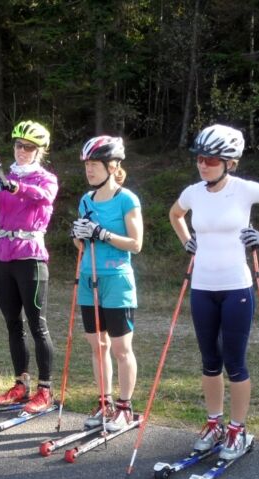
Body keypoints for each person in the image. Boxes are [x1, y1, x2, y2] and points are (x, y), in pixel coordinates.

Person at [168, 124, 259, 461]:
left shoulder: (244, 190)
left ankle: (237, 429)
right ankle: (214, 424)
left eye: (211, 159)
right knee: (210, 362)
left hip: (236, 287)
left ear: (230, 162)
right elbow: (175, 214)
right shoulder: (194, 192)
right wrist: (186, 241)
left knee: (234, 362)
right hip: (202, 287)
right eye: (199, 158)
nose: (203, 164)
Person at [0, 121, 59, 414]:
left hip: (30, 257)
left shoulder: (46, 179)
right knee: (12, 323)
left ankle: (45, 390)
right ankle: (21, 384)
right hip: (3, 255)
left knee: (37, 324)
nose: (22, 151)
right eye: (18, 146)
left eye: (29, 147)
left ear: (40, 151)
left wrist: (14, 186)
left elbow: (43, 197)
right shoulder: (3, 176)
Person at [71, 136, 143, 432]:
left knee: (120, 348)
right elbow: (80, 245)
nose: (89, 170)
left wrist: (101, 233)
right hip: (89, 278)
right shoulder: (86, 200)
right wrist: (78, 234)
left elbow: (136, 243)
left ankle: (125, 407)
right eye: (87, 164)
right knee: (96, 346)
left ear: (112, 166)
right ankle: (105, 403)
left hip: (117, 281)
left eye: (95, 164)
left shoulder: (127, 198)